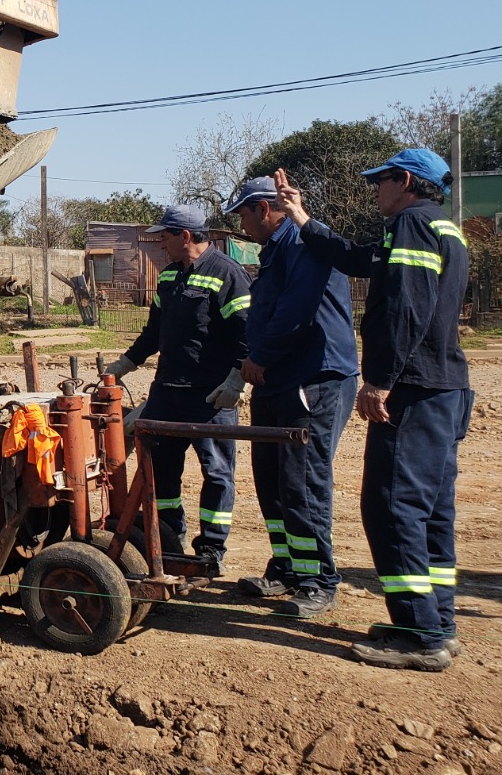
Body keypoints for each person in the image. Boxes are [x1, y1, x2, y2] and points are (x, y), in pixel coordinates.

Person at [273, 149, 472, 672]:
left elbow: (406, 307)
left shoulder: (409, 223)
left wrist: (380, 381)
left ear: (404, 180)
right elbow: (359, 259)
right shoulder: (440, 226)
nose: (373, 190)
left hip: (413, 387)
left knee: (391, 506)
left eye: (378, 180)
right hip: (446, 387)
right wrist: (302, 218)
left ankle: (418, 633)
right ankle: (436, 622)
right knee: (430, 509)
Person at [225, 176, 359, 620]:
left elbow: (294, 311)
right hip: (276, 380)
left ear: (264, 209)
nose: (241, 223)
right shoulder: (275, 250)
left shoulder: (302, 243)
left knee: (303, 482)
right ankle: (288, 568)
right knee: (273, 481)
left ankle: (318, 580)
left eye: (243, 214)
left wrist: (259, 357)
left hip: (313, 380)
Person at [105, 204, 250, 573]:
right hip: (167, 393)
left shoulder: (227, 274)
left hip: (210, 398)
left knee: (216, 473)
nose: (161, 244)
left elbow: (249, 333)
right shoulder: (169, 278)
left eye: (165, 236)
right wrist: (125, 363)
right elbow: (154, 333)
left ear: (185, 236)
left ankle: (211, 549)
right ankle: (169, 538)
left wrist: (237, 379)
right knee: (160, 470)